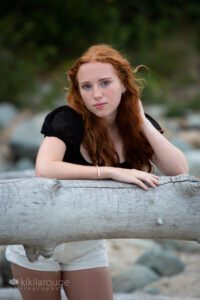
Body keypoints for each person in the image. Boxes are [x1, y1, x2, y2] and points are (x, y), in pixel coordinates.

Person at [6, 44, 189, 300]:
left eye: (105, 83)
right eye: (87, 86)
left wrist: (141, 119)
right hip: (38, 237)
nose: (97, 94)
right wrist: (111, 172)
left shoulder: (136, 126)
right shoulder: (67, 119)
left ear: (124, 84)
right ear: (79, 91)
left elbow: (179, 169)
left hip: (86, 242)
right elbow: (45, 168)